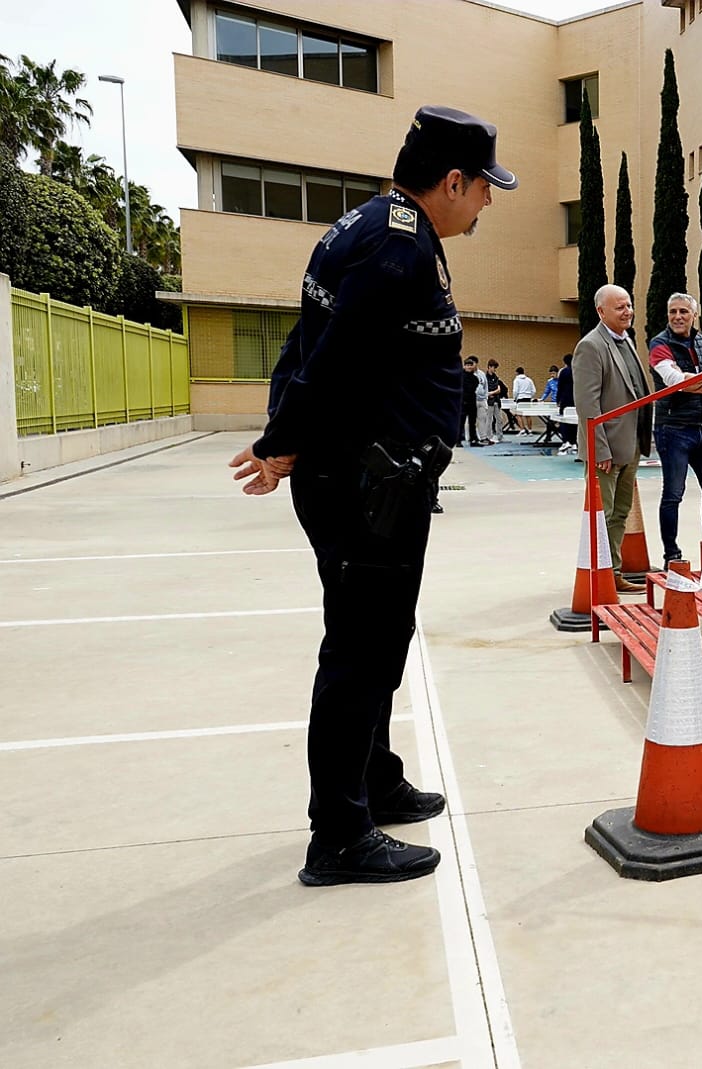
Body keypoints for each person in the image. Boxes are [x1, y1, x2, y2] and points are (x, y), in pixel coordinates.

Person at [227, 104, 517, 886]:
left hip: (374, 479)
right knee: (359, 652)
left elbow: (306, 342)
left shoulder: (376, 226)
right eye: (483, 187)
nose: (486, 202)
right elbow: (333, 358)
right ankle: (340, 835)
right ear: (452, 182)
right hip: (366, 486)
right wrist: (282, 440)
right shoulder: (397, 247)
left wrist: (288, 432)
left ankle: (376, 779)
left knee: (380, 639)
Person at [573, 284, 652, 593]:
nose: (627, 311)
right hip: (606, 450)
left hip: (630, 445)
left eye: (629, 305)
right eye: (619, 307)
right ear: (600, 311)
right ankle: (598, 577)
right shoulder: (591, 346)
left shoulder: (626, 341)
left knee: (620, 513)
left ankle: (614, 572)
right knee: (602, 516)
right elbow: (587, 405)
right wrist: (599, 449)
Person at [648, 292, 702, 563]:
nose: (678, 316)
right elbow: (673, 381)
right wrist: (701, 382)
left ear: (694, 315)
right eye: (673, 311)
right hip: (673, 429)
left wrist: (689, 381)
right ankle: (671, 554)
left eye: (683, 311)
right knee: (673, 494)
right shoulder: (659, 344)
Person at [555, 353, 577, 454]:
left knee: (564, 420)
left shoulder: (563, 372)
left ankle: (566, 441)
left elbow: (560, 387)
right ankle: (574, 442)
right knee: (575, 421)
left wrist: (558, 400)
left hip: (565, 400)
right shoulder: (579, 371)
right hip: (576, 400)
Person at [460, 355, 484, 446]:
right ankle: (458, 440)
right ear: (464, 366)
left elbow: (473, 388)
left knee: (472, 422)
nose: (469, 367)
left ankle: (473, 439)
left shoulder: (475, 378)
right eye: (467, 365)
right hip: (463, 402)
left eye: (470, 365)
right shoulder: (460, 377)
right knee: (461, 422)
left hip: (472, 401)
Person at [484, 358, 507, 440]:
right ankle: (489, 436)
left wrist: (492, 392)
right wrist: (493, 392)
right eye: (494, 367)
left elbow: (499, 389)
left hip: (497, 401)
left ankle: (500, 436)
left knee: (499, 419)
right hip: (489, 402)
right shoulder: (485, 378)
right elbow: (486, 390)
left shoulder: (496, 378)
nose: (495, 370)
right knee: (489, 420)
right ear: (489, 367)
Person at [511, 365, 536, 435]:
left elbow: (515, 391)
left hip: (520, 398)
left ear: (517, 373)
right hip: (528, 399)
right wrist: (530, 396)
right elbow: (534, 390)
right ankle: (530, 430)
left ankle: (522, 430)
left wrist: (515, 398)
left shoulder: (516, 380)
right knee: (528, 415)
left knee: (518, 415)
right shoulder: (529, 380)